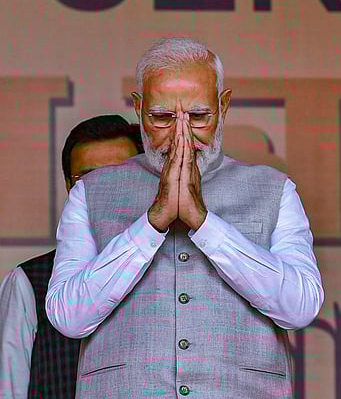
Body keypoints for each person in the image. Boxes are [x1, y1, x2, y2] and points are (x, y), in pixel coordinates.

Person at [45, 38, 324, 397]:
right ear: (139, 108)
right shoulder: (90, 191)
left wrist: (206, 224)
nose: (181, 135)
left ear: (223, 106)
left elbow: (300, 308)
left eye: (198, 116)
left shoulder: (275, 190)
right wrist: (152, 223)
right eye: (162, 117)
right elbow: (68, 316)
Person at [0, 115, 142, 399]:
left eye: (120, 174)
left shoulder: (179, 272)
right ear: (69, 186)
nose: (105, 190)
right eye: (88, 178)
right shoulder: (29, 282)